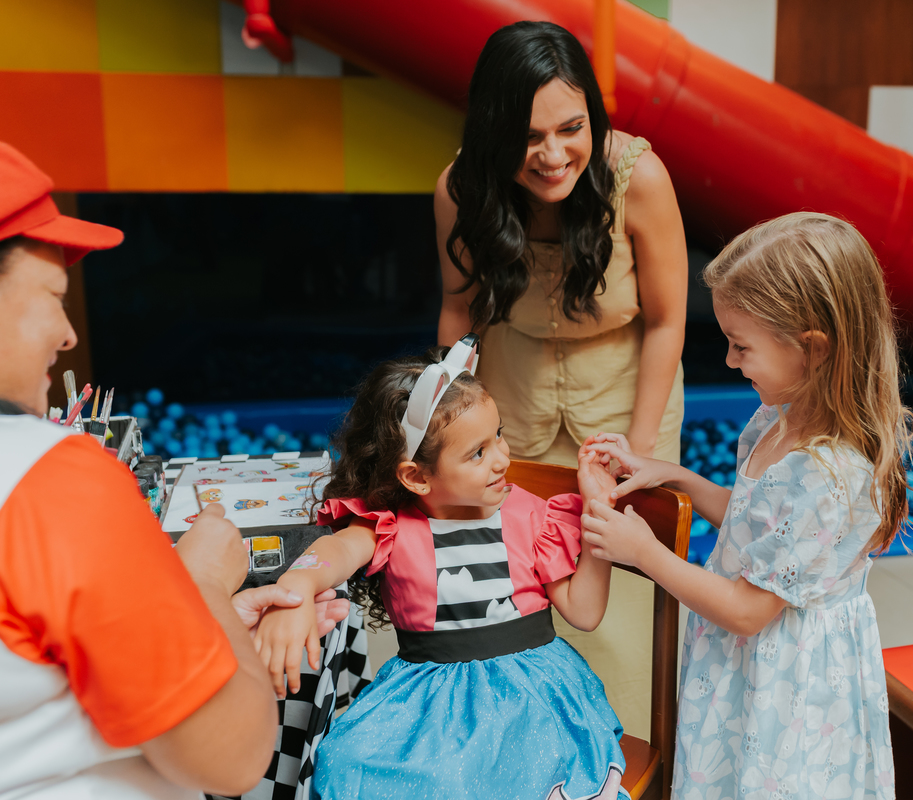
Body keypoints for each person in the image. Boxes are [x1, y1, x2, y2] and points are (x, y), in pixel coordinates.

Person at [0, 141, 347, 799]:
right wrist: (204, 585)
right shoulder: (49, 479)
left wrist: (193, 624)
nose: (68, 334)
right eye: (52, 294)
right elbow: (232, 755)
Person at [582, 213, 912, 799]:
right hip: (744, 665)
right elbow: (758, 522)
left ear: (813, 349)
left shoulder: (830, 473)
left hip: (787, 684)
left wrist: (645, 552)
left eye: (742, 346)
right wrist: (677, 477)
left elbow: (747, 610)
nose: (731, 361)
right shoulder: (778, 419)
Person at [434, 18, 689, 738]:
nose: (553, 156)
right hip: (511, 404)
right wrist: (444, 423)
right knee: (517, 584)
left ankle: (625, 746)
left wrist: (640, 451)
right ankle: (523, 748)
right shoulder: (462, 187)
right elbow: (458, 306)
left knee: (620, 590)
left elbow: (667, 321)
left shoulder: (639, 178)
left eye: (571, 129)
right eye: (528, 137)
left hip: (626, 402)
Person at [253, 338, 629, 800]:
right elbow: (336, 551)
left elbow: (584, 613)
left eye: (498, 435)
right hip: (429, 706)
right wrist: (296, 587)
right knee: (347, 763)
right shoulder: (389, 527)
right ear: (416, 476)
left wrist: (597, 512)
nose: (502, 458)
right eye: (477, 453)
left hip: (532, 702)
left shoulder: (531, 515)